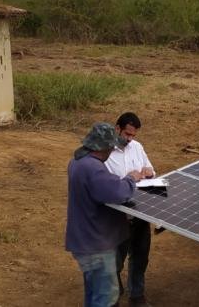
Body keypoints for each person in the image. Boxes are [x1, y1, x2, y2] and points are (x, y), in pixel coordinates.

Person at [66, 122, 143, 307]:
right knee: (105, 297)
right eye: (111, 147)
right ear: (104, 147)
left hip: (84, 241)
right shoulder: (93, 169)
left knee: (93, 294)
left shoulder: (77, 161)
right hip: (96, 245)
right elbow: (118, 192)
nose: (112, 151)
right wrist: (131, 179)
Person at [105, 113, 154, 307]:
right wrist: (129, 178)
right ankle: (114, 295)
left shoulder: (137, 147)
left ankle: (137, 296)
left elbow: (149, 169)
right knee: (115, 261)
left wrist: (148, 172)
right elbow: (106, 186)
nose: (129, 139)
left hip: (140, 211)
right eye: (127, 134)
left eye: (133, 135)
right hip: (117, 217)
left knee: (140, 257)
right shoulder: (105, 153)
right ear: (117, 128)